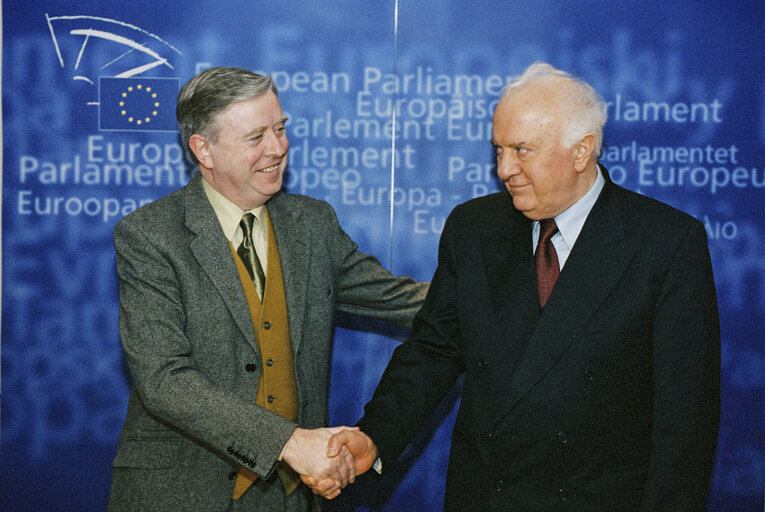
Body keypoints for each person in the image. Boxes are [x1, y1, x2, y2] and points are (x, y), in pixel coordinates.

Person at [324, 62, 721, 511]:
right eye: (498, 150)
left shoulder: (665, 242)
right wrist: (375, 437)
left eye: (521, 150)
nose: (504, 168)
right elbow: (434, 350)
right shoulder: (473, 228)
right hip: (486, 496)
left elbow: (686, 419)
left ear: (581, 151)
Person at [107, 66, 427, 512]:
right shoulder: (150, 236)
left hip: (293, 498)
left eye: (280, 129)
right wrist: (288, 443)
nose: (278, 148)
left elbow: (402, 300)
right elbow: (164, 381)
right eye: (255, 137)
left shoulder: (313, 224)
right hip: (183, 492)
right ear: (204, 150)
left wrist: (510, 292)